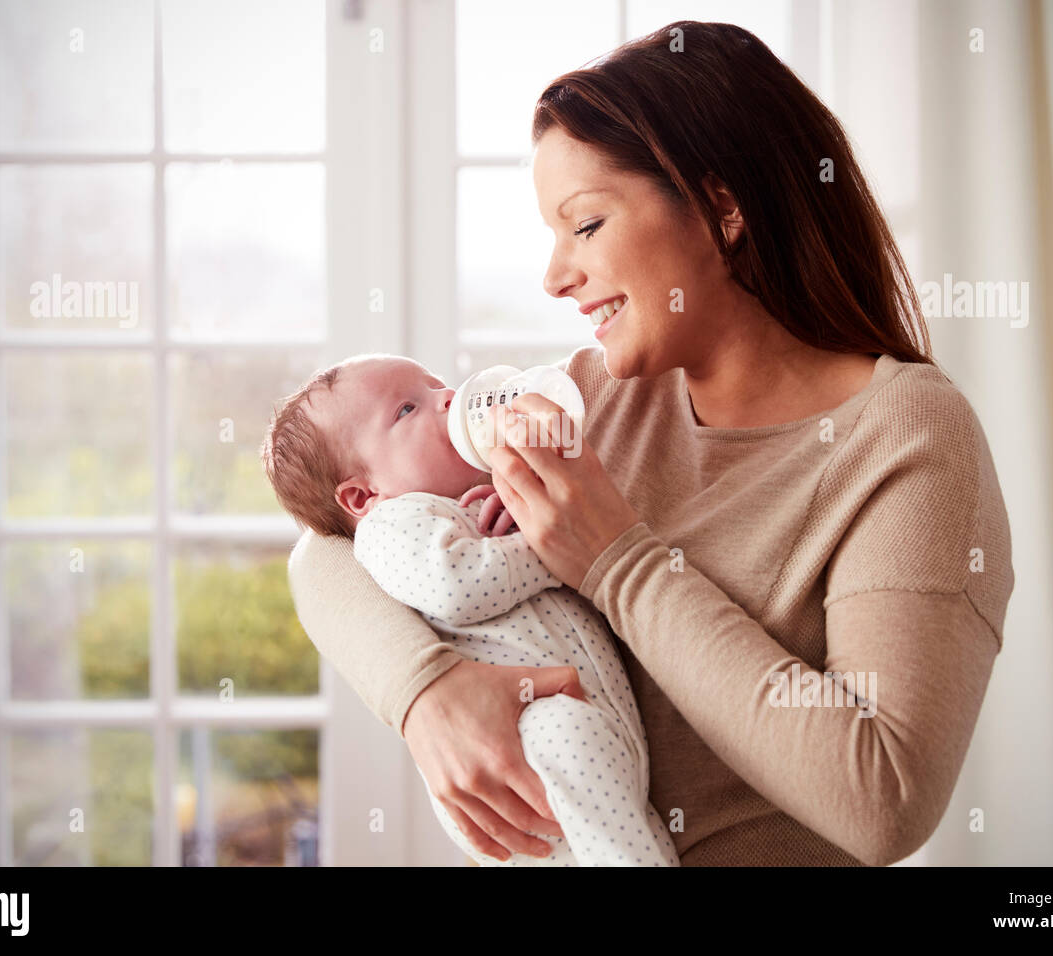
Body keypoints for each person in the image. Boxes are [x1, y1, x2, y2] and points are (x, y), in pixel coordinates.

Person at [287, 20, 1015, 866]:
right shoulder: (591, 402)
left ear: (723, 208)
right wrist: (424, 691)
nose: (556, 277)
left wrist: (617, 561)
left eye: (585, 226)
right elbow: (326, 547)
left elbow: (883, 800)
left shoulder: (907, 439)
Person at [261, 353, 678, 865]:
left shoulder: (480, 500)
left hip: (596, 726)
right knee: (608, 825)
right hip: (529, 742)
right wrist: (558, 548)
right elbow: (457, 585)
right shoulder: (391, 526)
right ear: (363, 495)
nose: (449, 398)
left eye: (438, 386)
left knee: (626, 832)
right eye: (408, 410)